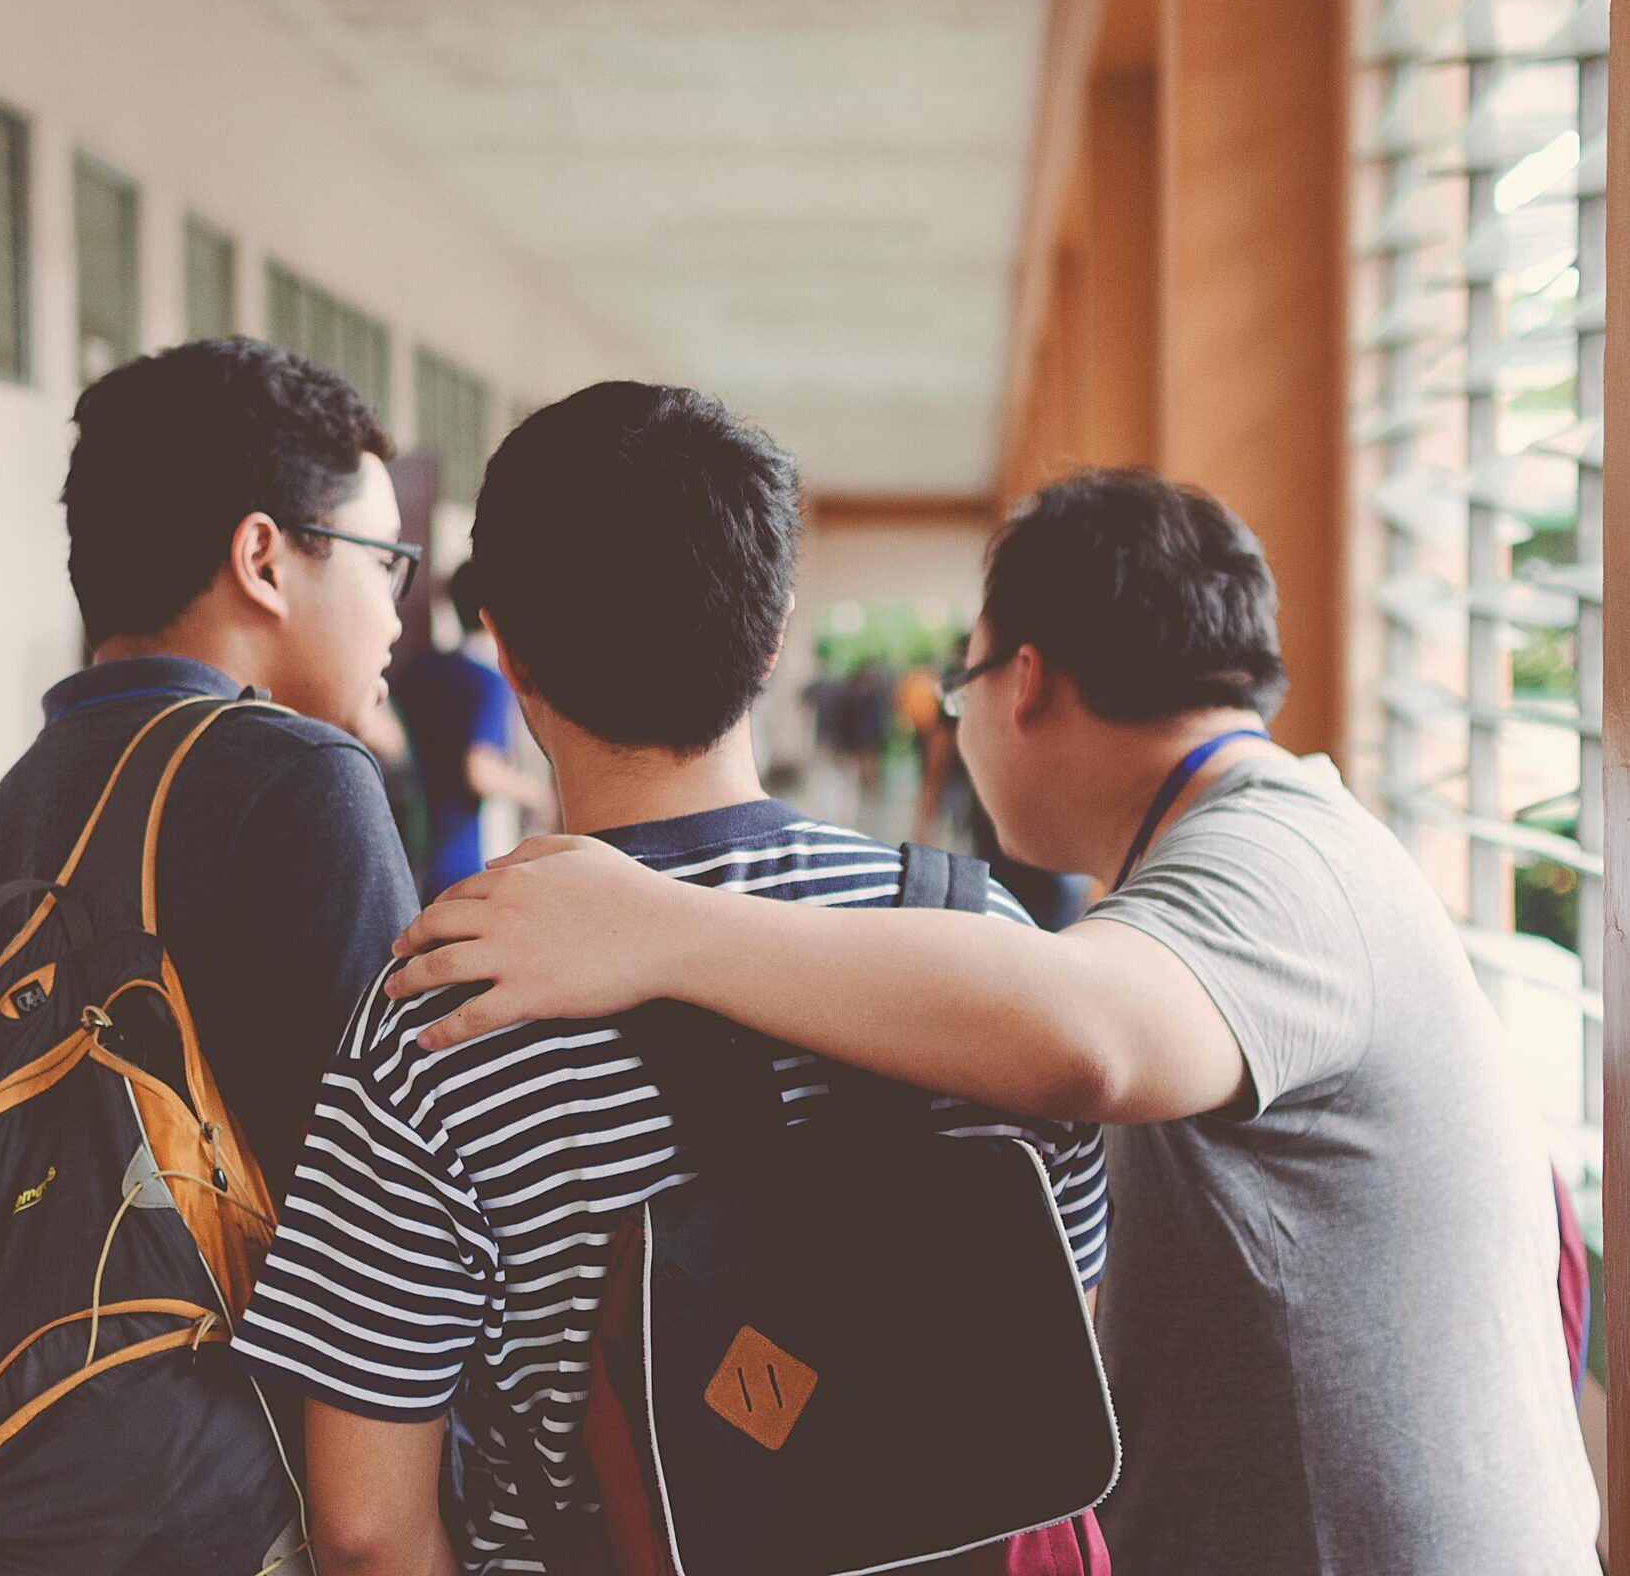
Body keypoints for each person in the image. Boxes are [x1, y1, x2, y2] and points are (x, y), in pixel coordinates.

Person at [388, 468, 1601, 1576]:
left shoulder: (1278, 860)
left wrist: (658, 928)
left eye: (960, 681)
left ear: (1021, 682)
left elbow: (1086, 1040)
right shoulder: (1274, 838)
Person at [228, 383, 1111, 1576]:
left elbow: (369, 1525)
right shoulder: (979, 949)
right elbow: (1063, 1340)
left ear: (509, 648)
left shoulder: (447, 1008)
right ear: (776, 627)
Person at [0, 337, 421, 1204]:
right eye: (382, 560)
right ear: (263, 559)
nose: (394, 615)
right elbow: (400, 1198)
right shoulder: (304, 777)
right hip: (254, 1344)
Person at [394, 563, 554, 898]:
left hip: (405, 844)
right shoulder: (489, 682)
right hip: (460, 856)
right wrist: (537, 795)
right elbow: (479, 771)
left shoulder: (422, 668)